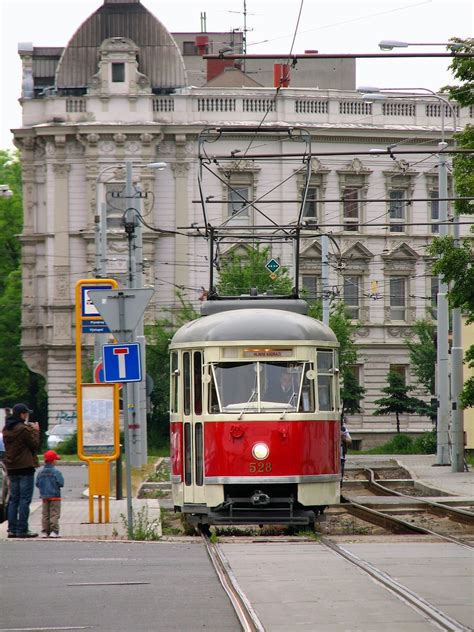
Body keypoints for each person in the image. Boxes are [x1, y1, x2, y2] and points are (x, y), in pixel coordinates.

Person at [3, 403, 40, 538]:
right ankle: (22, 529)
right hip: (25, 467)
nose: (27, 416)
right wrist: (35, 430)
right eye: (26, 413)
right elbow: (34, 444)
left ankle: (12, 529)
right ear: (21, 414)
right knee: (25, 499)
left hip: (12, 468)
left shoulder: (6, 429)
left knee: (13, 499)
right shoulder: (24, 429)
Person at [36, 450, 64, 538]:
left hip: (44, 496)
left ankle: (45, 531)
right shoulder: (56, 472)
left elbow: (37, 483)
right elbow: (61, 483)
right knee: (54, 513)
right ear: (53, 461)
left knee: (45, 514)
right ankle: (54, 531)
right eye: (56, 460)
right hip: (55, 496)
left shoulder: (40, 472)